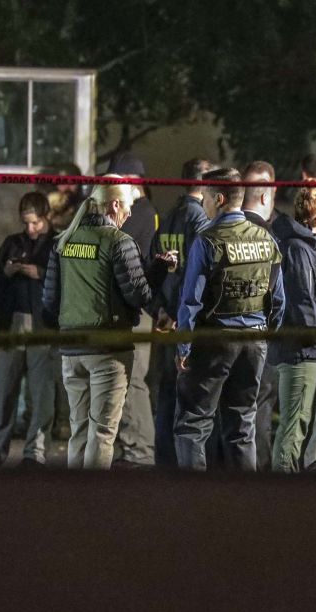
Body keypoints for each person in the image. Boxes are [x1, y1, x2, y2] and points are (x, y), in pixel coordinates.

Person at [173, 167, 285, 472]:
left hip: (215, 341)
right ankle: (244, 505)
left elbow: (190, 302)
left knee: (193, 425)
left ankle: (193, 502)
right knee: (242, 426)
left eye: (207, 198)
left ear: (219, 198)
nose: (204, 204)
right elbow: (278, 300)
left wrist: (183, 348)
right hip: (255, 341)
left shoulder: (208, 239)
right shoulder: (267, 238)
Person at [41, 179, 156, 470]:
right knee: (102, 433)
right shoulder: (119, 242)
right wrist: (159, 271)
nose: (129, 215)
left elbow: (50, 300)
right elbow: (138, 295)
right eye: (128, 207)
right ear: (114, 205)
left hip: (71, 348)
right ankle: (94, 503)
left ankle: (73, 502)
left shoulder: (63, 241)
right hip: (108, 349)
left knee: (78, 430)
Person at [0, 192, 58, 468]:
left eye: (36, 222)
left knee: (41, 393)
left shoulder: (58, 244)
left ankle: (35, 452)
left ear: (46, 216)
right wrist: (6, 271)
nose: (30, 229)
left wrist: (40, 273)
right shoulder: (12, 243)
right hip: (12, 321)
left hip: (43, 324)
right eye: (26, 223)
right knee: (3, 389)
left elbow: (66, 280)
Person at [149, 158, 215, 467]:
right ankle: (183, 465)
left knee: (166, 393)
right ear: (205, 183)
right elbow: (197, 273)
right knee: (189, 397)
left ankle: (164, 459)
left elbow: (158, 266)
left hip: (166, 315)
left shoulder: (169, 215)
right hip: (185, 319)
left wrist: (160, 308)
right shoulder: (200, 219)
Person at [269, 187, 316, 472]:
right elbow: (303, 301)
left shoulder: (299, 243)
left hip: (300, 347)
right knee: (294, 424)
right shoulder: (298, 249)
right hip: (302, 350)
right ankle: (283, 494)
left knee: (296, 422)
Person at [107, 152, 158, 467]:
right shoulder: (141, 211)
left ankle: (140, 449)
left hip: (134, 310)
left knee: (132, 379)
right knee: (125, 379)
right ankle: (132, 447)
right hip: (129, 307)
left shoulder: (139, 213)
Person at [240, 160, 280, 469]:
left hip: (221, 336)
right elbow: (278, 295)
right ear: (267, 196)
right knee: (259, 410)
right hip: (260, 337)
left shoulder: (219, 232)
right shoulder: (271, 238)